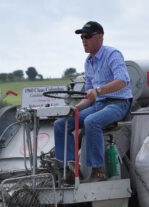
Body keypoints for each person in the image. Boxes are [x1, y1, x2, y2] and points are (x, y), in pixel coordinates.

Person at [54, 21, 132, 183]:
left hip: (118, 104)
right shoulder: (88, 62)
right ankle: (71, 169)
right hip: (98, 105)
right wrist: (76, 108)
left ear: (100, 37)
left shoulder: (113, 54)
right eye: (82, 37)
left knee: (91, 121)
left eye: (87, 36)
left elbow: (123, 80)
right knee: (61, 123)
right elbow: (89, 97)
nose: (83, 40)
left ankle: (98, 170)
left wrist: (98, 91)